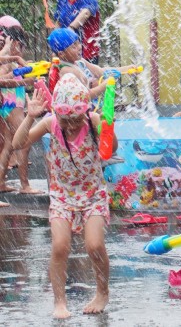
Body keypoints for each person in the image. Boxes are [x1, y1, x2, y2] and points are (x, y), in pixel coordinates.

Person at [12, 74, 117, 319]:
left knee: (94, 245)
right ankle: (60, 301)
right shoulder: (51, 123)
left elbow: (110, 149)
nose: (70, 125)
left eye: (75, 119)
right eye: (65, 119)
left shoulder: (92, 120)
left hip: (92, 195)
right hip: (61, 196)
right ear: (57, 113)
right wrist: (29, 116)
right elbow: (19, 144)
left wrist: (108, 124)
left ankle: (102, 292)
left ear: (85, 112)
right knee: (60, 246)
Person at [46, 28, 137, 100]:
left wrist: (125, 69)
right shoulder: (66, 71)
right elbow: (83, 97)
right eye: (74, 46)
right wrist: (103, 86)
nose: (79, 47)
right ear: (62, 54)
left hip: (91, 108)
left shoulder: (80, 61)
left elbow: (100, 72)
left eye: (78, 43)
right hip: (77, 115)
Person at [0, 22, 38, 195]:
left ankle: (1, 182)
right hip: (12, 104)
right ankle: (25, 185)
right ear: (15, 43)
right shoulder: (6, 59)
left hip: (9, 105)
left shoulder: (9, 60)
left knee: (7, 145)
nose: (22, 50)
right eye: (21, 45)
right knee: (24, 143)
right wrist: (25, 81)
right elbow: (2, 79)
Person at [55, 0, 101, 64]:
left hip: (87, 52)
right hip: (68, 53)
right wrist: (55, 41)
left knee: (87, 79)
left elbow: (85, 13)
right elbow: (58, 22)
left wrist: (70, 29)